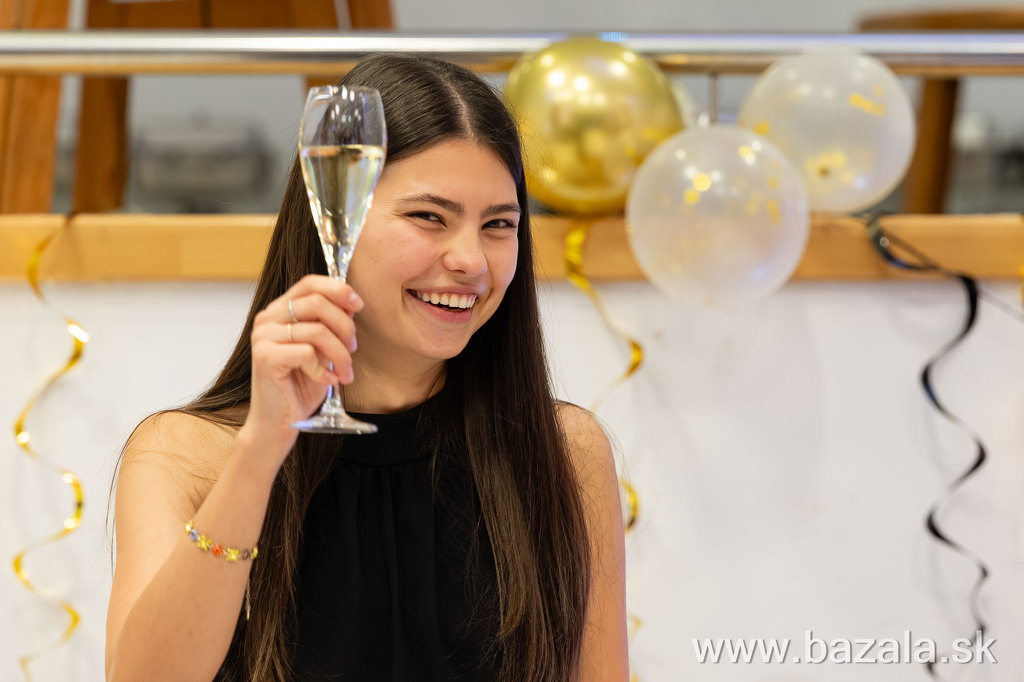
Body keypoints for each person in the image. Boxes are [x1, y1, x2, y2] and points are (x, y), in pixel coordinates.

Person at [104, 53, 627, 682]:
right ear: (336, 220)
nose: (471, 260)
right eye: (428, 216)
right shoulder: (185, 455)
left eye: (498, 224)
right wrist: (260, 453)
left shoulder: (564, 451)